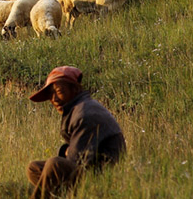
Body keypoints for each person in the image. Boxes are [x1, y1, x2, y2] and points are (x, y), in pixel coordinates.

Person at [26, 66, 125, 198]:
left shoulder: (85, 113)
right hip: (90, 167)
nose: (54, 99)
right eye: (50, 94)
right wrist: (68, 151)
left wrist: (68, 152)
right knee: (34, 168)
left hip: (101, 174)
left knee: (54, 164)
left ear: (75, 89)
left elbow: (78, 160)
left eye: (59, 91)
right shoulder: (79, 108)